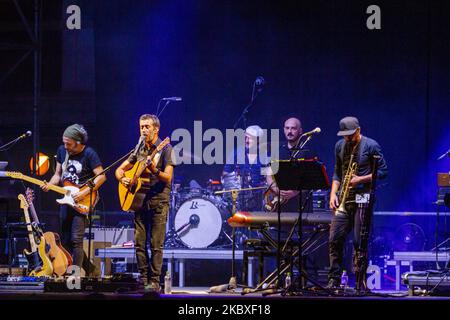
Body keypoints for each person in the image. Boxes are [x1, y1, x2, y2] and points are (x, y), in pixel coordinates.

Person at [115, 114, 175, 292]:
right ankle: (143, 278)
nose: (143, 130)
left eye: (147, 127)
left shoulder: (166, 148)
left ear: (156, 129)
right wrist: (123, 179)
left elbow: (168, 177)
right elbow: (120, 169)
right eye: (141, 127)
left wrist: (153, 168)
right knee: (140, 243)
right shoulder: (139, 148)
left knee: (156, 244)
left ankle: (155, 281)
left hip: (158, 201)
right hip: (139, 202)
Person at [327, 116, 388, 288]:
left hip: (363, 197)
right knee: (334, 239)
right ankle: (334, 279)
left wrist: (360, 179)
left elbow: (383, 172)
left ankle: (360, 280)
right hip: (344, 200)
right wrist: (333, 194)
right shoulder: (339, 146)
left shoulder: (371, 145)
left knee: (359, 240)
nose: (347, 138)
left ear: (358, 131)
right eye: (344, 135)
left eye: (350, 135)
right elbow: (337, 173)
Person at [41, 124, 106, 274]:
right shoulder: (62, 151)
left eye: (68, 143)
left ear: (79, 142)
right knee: (65, 240)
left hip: (82, 201)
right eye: (64, 142)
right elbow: (58, 174)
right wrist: (50, 184)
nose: (65, 146)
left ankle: (74, 277)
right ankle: (89, 270)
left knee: (77, 240)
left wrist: (84, 193)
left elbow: (101, 176)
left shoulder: (90, 154)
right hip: (66, 199)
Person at [266, 117, 316, 212]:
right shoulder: (277, 150)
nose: (290, 131)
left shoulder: (308, 151)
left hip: (301, 206)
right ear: (284, 130)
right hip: (280, 206)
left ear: (300, 131)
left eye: (293, 128)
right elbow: (268, 173)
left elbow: (313, 178)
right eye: (287, 128)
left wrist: (295, 192)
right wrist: (276, 189)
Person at [222, 125, 267, 212]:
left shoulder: (265, 156)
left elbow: (268, 179)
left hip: (258, 200)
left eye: (250, 138)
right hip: (238, 199)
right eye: (245, 137)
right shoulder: (235, 153)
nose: (247, 141)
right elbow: (225, 174)